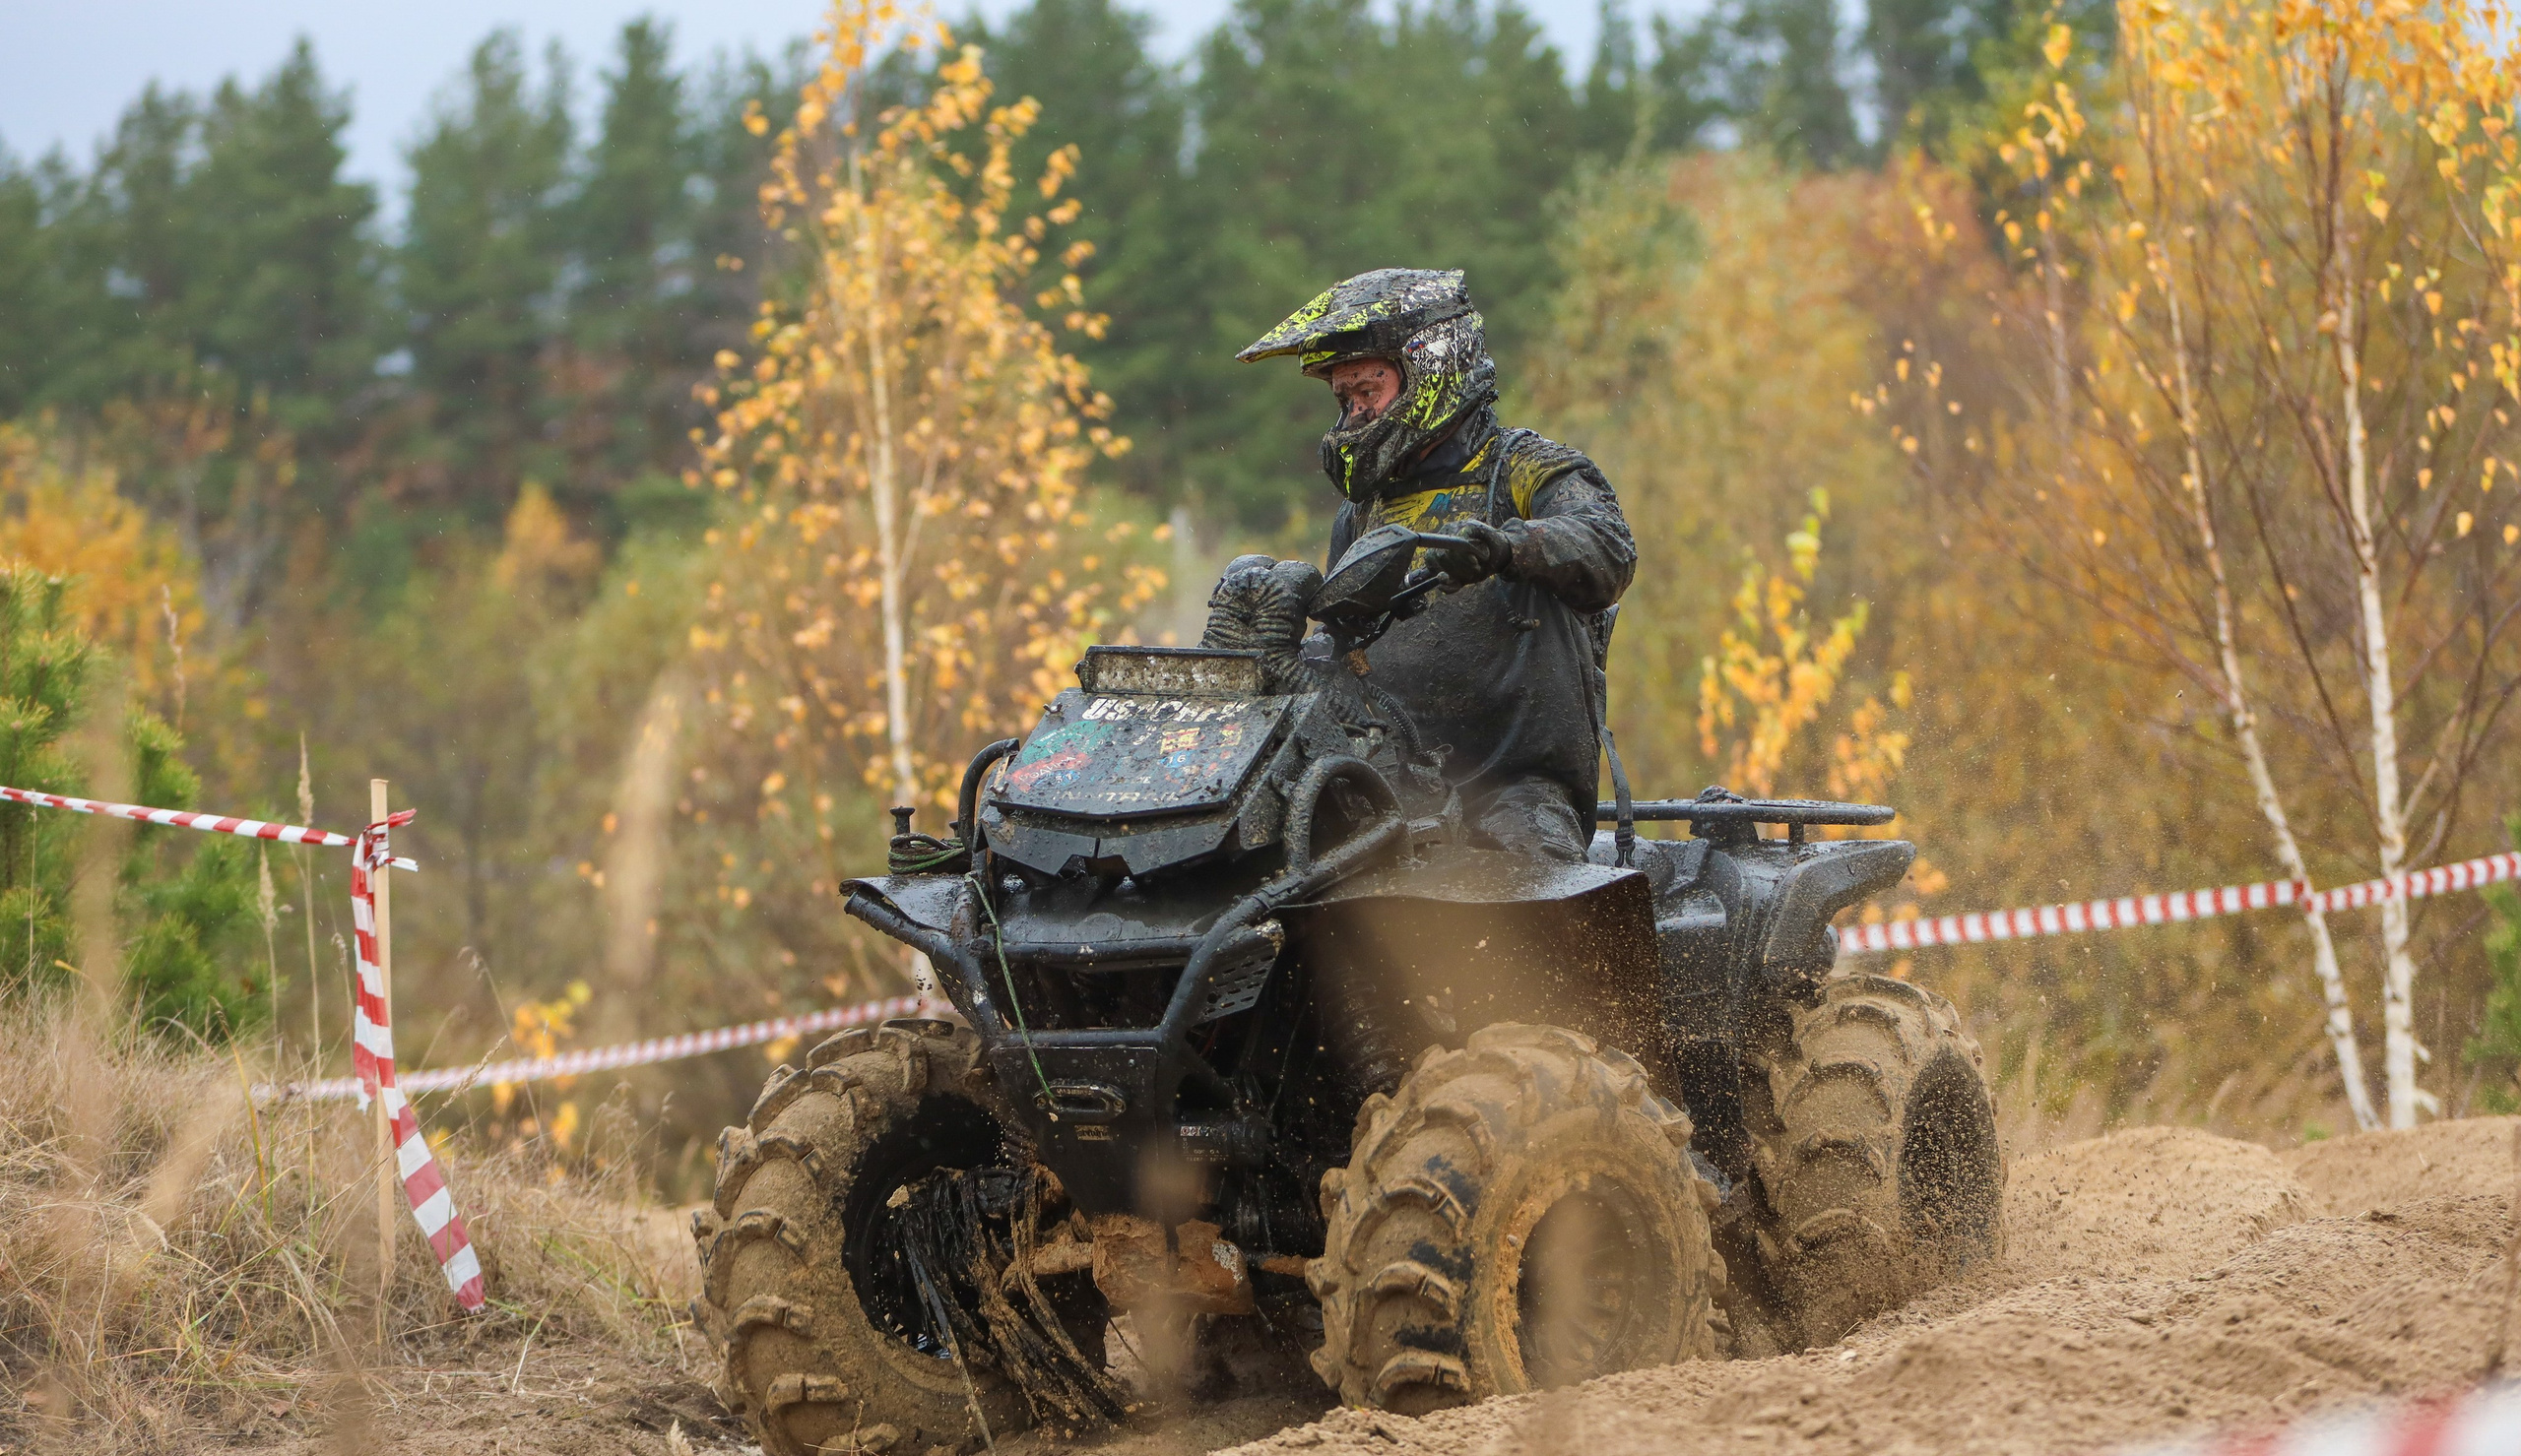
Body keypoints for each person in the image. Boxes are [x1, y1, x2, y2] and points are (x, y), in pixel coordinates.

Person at [1234, 268, 1635, 862]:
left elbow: (1608, 546)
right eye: (1344, 400)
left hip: (1515, 790)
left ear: (1431, 370)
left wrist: (1508, 548)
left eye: (1367, 392)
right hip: (1387, 783)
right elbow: (1343, 647)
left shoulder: (1523, 468)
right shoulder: (1363, 510)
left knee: (1532, 895)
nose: (1355, 414)